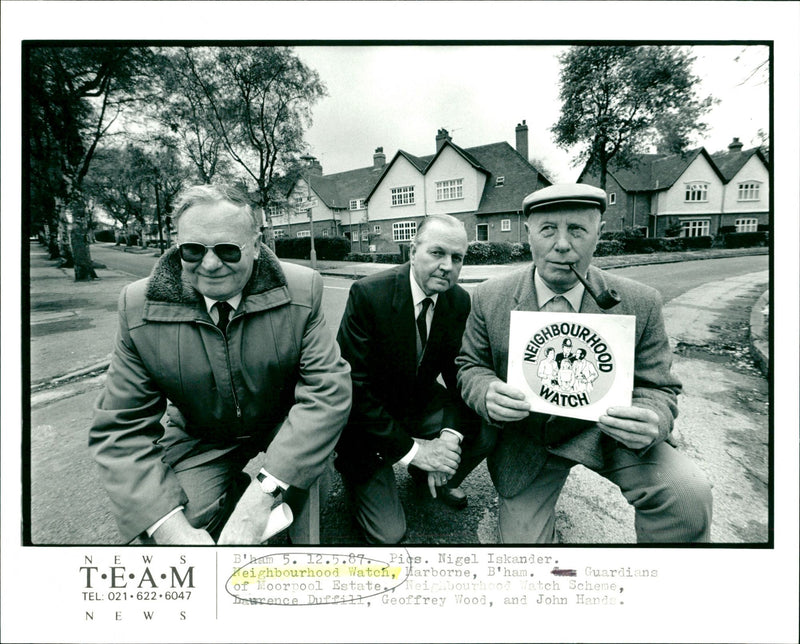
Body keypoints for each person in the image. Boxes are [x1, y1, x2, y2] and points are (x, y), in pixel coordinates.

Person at [89, 184, 351, 545]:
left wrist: (263, 495)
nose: (210, 265)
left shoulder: (303, 289)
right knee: (164, 530)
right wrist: (169, 529)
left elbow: (327, 393)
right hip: (202, 436)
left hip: (283, 428)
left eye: (228, 250)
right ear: (177, 246)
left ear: (256, 246)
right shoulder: (137, 307)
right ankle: (230, 490)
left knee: (302, 515)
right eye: (193, 250)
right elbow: (120, 428)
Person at [457, 183, 712, 543]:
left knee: (686, 493)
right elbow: (470, 364)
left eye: (577, 229)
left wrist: (651, 418)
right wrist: (486, 393)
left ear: (599, 235)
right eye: (548, 230)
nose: (562, 244)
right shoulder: (488, 297)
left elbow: (659, 387)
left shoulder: (641, 301)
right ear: (528, 234)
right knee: (521, 551)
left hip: (607, 434)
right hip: (530, 440)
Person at [336, 214, 495, 544]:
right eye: (437, 253)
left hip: (418, 404)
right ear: (412, 252)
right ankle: (365, 476)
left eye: (457, 258)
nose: (447, 266)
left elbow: (461, 376)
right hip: (367, 421)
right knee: (389, 534)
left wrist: (449, 439)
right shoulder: (368, 295)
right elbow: (355, 388)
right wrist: (413, 450)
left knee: (488, 421)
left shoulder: (459, 301)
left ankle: (429, 476)